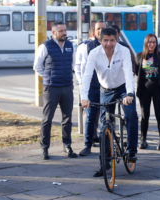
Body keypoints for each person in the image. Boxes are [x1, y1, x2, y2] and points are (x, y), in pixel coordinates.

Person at [81, 27, 138, 177]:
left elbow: (128, 72)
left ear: (117, 39)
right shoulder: (94, 53)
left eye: (112, 40)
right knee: (104, 127)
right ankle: (104, 163)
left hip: (124, 87)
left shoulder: (123, 51)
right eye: (105, 40)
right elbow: (87, 76)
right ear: (100, 40)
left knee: (131, 115)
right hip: (105, 90)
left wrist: (130, 93)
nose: (108, 44)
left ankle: (132, 151)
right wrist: (84, 97)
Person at [33, 22, 77, 160]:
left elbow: (73, 65)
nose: (64, 33)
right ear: (53, 33)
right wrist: (48, 77)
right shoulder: (45, 46)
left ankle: (67, 145)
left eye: (65, 30)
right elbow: (37, 66)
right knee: (47, 119)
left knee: (67, 118)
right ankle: (45, 148)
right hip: (51, 88)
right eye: (61, 31)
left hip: (67, 87)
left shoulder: (70, 46)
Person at [75, 21, 106, 156]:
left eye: (103, 29)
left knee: (106, 117)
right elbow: (78, 67)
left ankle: (106, 143)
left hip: (105, 86)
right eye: (98, 29)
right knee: (90, 116)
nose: (101, 31)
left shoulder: (110, 45)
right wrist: (82, 84)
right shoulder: (85, 46)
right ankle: (87, 145)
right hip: (91, 87)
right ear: (94, 31)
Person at [135, 33, 160, 151]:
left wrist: (157, 79)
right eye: (149, 42)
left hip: (158, 91)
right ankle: (143, 139)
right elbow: (136, 71)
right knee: (145, 116)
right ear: (146, 43)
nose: (152, 44)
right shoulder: (139, 56)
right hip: (144, 91)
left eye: (154, 42)